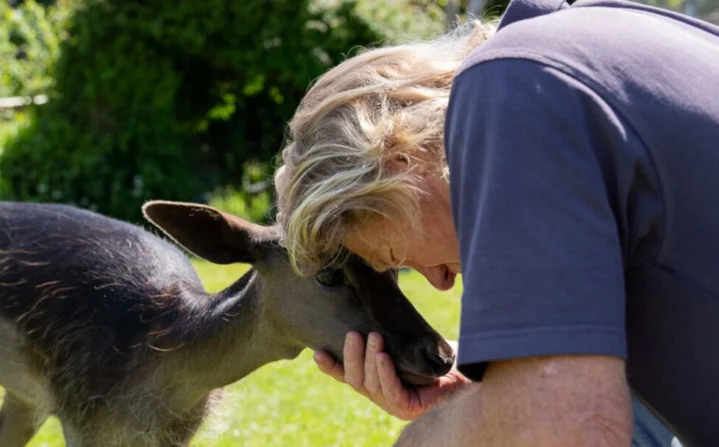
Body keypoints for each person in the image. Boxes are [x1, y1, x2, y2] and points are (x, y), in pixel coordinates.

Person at [273, 0, 719, 445]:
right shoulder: (580, 49)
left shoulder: (511, 86)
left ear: (397, 160)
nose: (441, 282)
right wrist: (503, 379)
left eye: (391, 256)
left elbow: (567, 426)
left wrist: (433, 436)